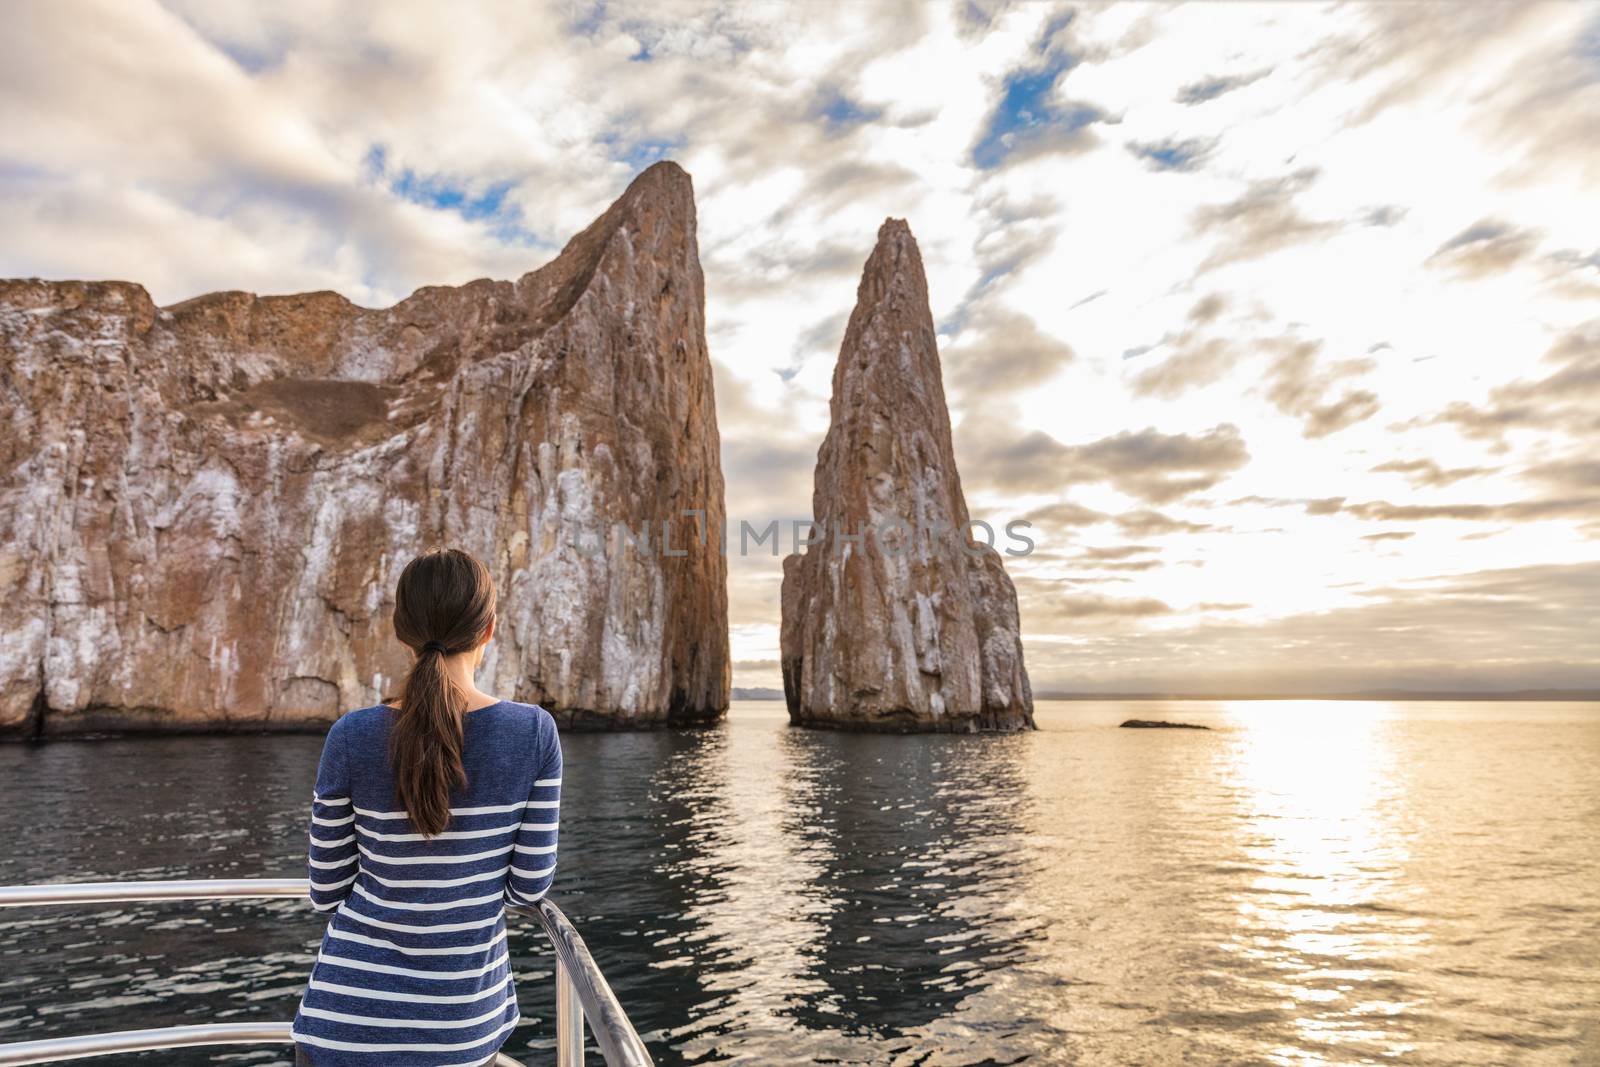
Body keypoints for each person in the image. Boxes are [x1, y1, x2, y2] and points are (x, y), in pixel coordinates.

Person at [289, 548, 562, 1067]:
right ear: (489, 629)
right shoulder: (533, 733)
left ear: (401, 632)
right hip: (455, 1032)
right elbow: (528, 887)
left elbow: (326, 891)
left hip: (340, 1028)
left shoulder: (350, 735)